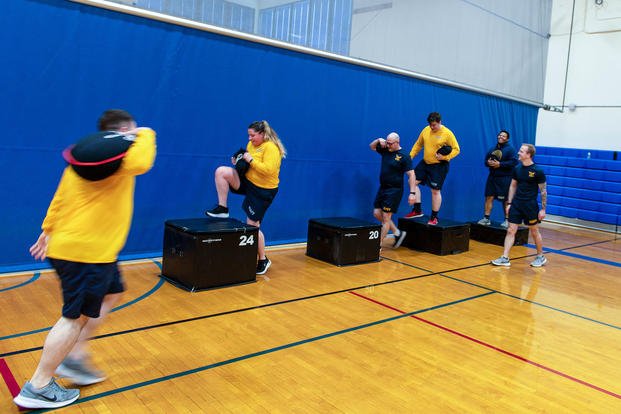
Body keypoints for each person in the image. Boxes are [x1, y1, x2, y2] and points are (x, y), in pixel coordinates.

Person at [14, 109, 157, 409]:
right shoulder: (123, 156)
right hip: (88, 254)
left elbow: (60, 198)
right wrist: (145, 132)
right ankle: (38, 385)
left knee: (113, 292)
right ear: (122, 132)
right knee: (73, 317)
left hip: (80, 248)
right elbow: (144, 159)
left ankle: (75, 356)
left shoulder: (84, 160)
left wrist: (47, 229)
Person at [205, 120, 286, 275]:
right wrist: (239, 161)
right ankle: (222, 208)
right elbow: (247, 163)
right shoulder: (251, 145)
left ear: (262, 134)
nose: (249, 138)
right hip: (248, 182)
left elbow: (268, 170)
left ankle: (263, 259)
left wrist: (250, 160)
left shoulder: (271, 148)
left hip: (263, 190)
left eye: (252, 135)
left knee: (252, 227)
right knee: (222, 172)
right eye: (248, 135)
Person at [491, 144, 547, 267]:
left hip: (530, 206)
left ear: (528, 155)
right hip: (516, 204)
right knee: (511, 230)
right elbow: (513, 185)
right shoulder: (517, 169)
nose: (518, 153)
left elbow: (543, 191)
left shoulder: (538, 171)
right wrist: (509, 203)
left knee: (534, 231)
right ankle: (505, 258)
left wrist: (543, 209)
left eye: (521, 151)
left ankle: (540, 256)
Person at [404, 112, 460, 225]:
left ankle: (434, 217)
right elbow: (418, 144)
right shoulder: (426, 130)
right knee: (412, 181)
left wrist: (445, 157)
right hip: (425, 163)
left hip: (439, 166)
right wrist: (410, 156)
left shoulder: (447, 133)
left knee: (435, 191)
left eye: (434, 125)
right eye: (430, 125)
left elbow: (456, 149)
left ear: (440, 122)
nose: (432, 127)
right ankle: (417, 210)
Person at [370, 133, 417, 248]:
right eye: (387, 142)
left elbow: (411, 174)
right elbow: (372, 147)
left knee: (386, 218)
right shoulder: (386, 149)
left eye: (390, 143)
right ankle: (398, 233)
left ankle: (378, 245)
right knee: (376, 213)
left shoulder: (404, 156)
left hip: (394, 190)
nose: (388, 145)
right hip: (383, 188)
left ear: (397, 142)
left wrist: (412, 193)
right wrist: (378, 140)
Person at [477, 130, 518, 228]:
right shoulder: (492, 149)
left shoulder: (510, 150)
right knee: (489, 197)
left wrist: (500, 164)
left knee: (505, 200)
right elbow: (486, 161)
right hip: (492, 177)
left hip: (505, 178)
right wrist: (489, 163)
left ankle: (507, 220)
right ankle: (486, 218)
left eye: (503, 136)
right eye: (500, 135)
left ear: (507, 139)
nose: (501, 137)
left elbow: (514, 162)